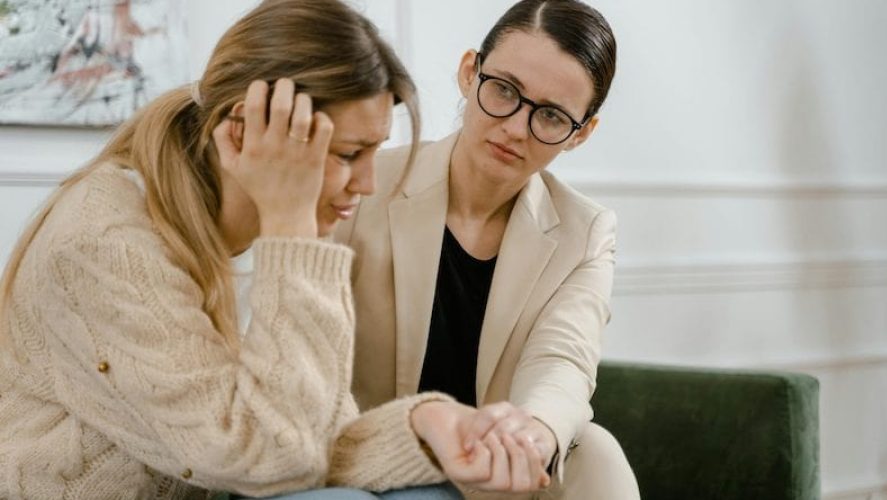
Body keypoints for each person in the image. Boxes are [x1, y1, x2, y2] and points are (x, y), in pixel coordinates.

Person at [0, 1, 550, 499]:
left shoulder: (237, 225)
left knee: (437, 489)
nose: (366, 184)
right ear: (244, 133)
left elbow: (306, 430)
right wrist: (293, 230)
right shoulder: (107, 245)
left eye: (372, 152)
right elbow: (271, 456)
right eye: (348, 154)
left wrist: (428, 424)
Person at [334, 0, 641, 498]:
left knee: (597, 451)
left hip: (496, 473)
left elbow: (564, 359)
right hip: (373, 460)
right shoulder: (363, 183)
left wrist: (533, 433)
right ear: (468, 72)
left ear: (581, 133)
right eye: (504, 90)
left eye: (551, 116)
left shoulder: (585, 232)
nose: (516, 128)